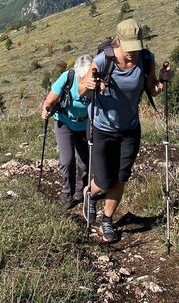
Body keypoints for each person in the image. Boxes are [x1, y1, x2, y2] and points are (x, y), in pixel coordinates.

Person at [77, 19, 168, 243]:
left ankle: (107, 219)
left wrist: (163, 83)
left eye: (136, 48)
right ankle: (89, 192)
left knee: (121, 177)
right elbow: (81, 90)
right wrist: (89, 86)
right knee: (105, 180)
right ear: (118, 42)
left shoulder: (146, 59)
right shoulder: (102, 61)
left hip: (130, 129)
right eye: (129, 49)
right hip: (102, 128)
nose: (133, 54)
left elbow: (152, 89)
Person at [41, 55, 94, 209]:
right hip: (64, 122)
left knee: (85, 160)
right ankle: (66, 192)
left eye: (87, 76)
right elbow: (49, 101)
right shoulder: (68, 77)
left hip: (85, 124)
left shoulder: (96, 82)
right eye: (81, 77)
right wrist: (46, 110)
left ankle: (81, 190)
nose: (84, 79)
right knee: (67, 160)